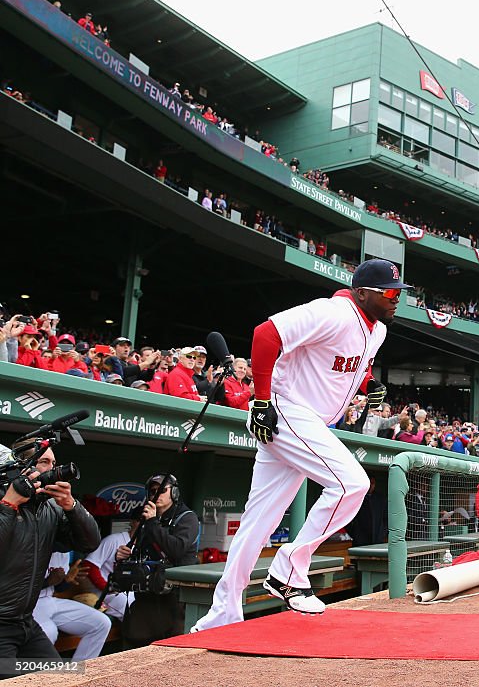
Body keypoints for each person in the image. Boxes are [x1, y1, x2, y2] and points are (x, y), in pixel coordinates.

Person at [192, 259, 409, 631]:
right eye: (389, 293)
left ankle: (222, 613)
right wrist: (260, 401)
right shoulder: (333, 312)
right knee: (351, 484)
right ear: (362, 292)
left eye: (399, 293)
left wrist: (368, 384)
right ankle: (289, 570)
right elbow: (265, 334)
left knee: (258, 522)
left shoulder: (377, 331)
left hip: (305, 422)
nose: (396, 300)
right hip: (284, 410)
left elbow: (352, 365)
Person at [0, 440, 100, 673]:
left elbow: (90, 542)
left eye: (54, 463)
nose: (53, 469)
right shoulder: (4, 500)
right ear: (21, 467)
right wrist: (8, 504)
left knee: (59, 675)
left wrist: (71, 505)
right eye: (44, 462)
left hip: (25, 622)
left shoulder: (49, 508)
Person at [116, 474, 199, 646]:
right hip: (148, 594)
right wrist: (127, 555)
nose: (157, 494)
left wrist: (153, 521)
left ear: (174, 492)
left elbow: (176, 550)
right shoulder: (147, 519)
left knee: (172, 647)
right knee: (135, 643)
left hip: (174, 597)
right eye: (153, 491)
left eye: (162, 490)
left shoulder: (187, 517)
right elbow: (145, 553)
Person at [31, 552, 111, 661]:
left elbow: (59, 588)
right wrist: (46, 582)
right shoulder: (31, 550)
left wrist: (67, 580)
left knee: (101, 623)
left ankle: (79, 673)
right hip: (29, 603)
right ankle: (35, 676)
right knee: (49, 631)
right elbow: (16, 586)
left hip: (49, 599)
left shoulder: (63, 553)